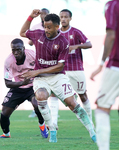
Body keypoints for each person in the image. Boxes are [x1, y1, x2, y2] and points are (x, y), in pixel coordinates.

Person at [20, 9, 96, 143]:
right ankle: (53, 129)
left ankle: (92, 131)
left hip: (57, 76)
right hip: (41, 79)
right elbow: (22, 33)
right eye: (44, 26)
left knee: (72, 103)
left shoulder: (63, 42)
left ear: (56, 26)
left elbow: (60, 66)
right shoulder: (38, 34)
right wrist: (30, 17)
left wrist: (36, 71)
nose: (46, 30)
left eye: (49, 27)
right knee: (41, 96)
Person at [0, 38, 48, 139]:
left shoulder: (32, 54)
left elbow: (43, 68)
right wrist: (22, 82)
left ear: (23, 48)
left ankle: (42, 124)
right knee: (4, 113)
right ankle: (6, 134)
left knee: (36, 104)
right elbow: (7, 83)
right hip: (18, 88)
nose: (16, 52)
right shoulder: (8, 61)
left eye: (18, 49)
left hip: (33, 86)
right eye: (13, 50)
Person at [90, 0, 119, 149]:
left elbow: (111, 35)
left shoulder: (113, 5)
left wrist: (101, 64)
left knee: (102, 107)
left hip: (116, 65)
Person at [59, 9, 93, 123]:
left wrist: (76, 46)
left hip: (76, 69)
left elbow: (89, 44)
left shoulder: (76, 32)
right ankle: (53, 125)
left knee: (83, 95)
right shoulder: (56, 33)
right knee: (54, 95)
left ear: (70, 18)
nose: (63, 19)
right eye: (61, 17)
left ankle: (90, 121)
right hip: (62, 70)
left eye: (66, 17)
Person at [28, 8, 59, 127]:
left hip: (51, 62)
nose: (43, 16)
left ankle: (53, 119)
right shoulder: (36, 27)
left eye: (45, 14)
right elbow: (30, 41)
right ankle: (39, 110)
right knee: (38, 88)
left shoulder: (54, 28)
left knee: (55, 93)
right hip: (39, 58)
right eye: (42, 14)